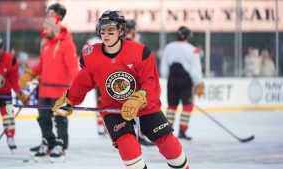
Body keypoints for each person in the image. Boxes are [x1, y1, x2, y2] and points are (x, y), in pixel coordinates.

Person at [52, 11, 190, 169]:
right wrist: (70, 99)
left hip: (144, 106)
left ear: (121, 31)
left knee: (169, 144)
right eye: (103, 31)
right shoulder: (92, 55)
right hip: (113, 108)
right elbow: (83, 81)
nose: (106, 35)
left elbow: (150, 82)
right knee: (128, 147)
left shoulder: (140, 52)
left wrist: (140, 97)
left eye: (111, 31)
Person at [18, 3, 79, 161]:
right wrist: (29, 74)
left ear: (55, 27)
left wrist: (77, 91)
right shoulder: (46, 44)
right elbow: (41, 65)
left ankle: (61, 144)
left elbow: (73, 68)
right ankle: (48, 142)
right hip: (44, 90)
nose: (44, 30)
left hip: (60, 91)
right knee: (43, 118)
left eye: (47, 28)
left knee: (60, 119)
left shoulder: (66, 43)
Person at [160, 26, 204, 140]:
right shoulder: (192, 49)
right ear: (189, 36)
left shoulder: (168, 47)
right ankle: (182, 131)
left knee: (171, 106)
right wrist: (199, 82)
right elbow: (195, 69)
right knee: (187, 106)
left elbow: (164, 68)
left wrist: (166, 75)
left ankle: (167, 131)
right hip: (186, 80)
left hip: (172, 79)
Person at [0, 37, 27, 149]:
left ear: (1, 50)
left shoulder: (10, 60)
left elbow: (14, 80)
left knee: (8, 112)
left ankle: (10, 136)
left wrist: (20, 94)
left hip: (4, 90)